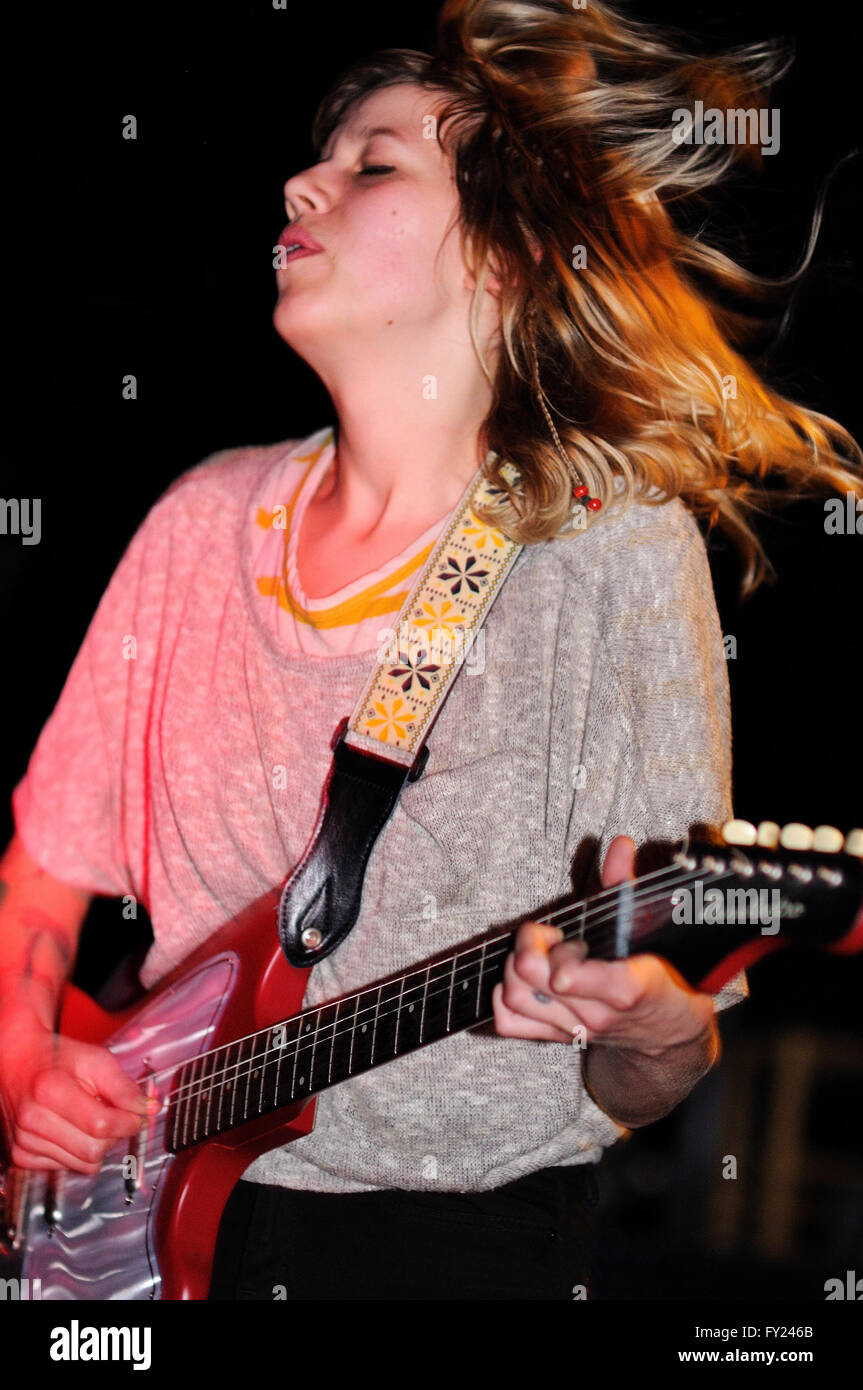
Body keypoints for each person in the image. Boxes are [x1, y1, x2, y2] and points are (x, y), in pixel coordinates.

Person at [1, 0, 861, 1301]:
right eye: (323, 156)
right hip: (138, 1241)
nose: (305, 179)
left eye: (375, 161)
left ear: (504, 259)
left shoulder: (612, 552)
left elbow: (659, 1060)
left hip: (454, 1253)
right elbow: (40, 883)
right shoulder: (195, 524)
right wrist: (25, 1069)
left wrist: (641, 1018)